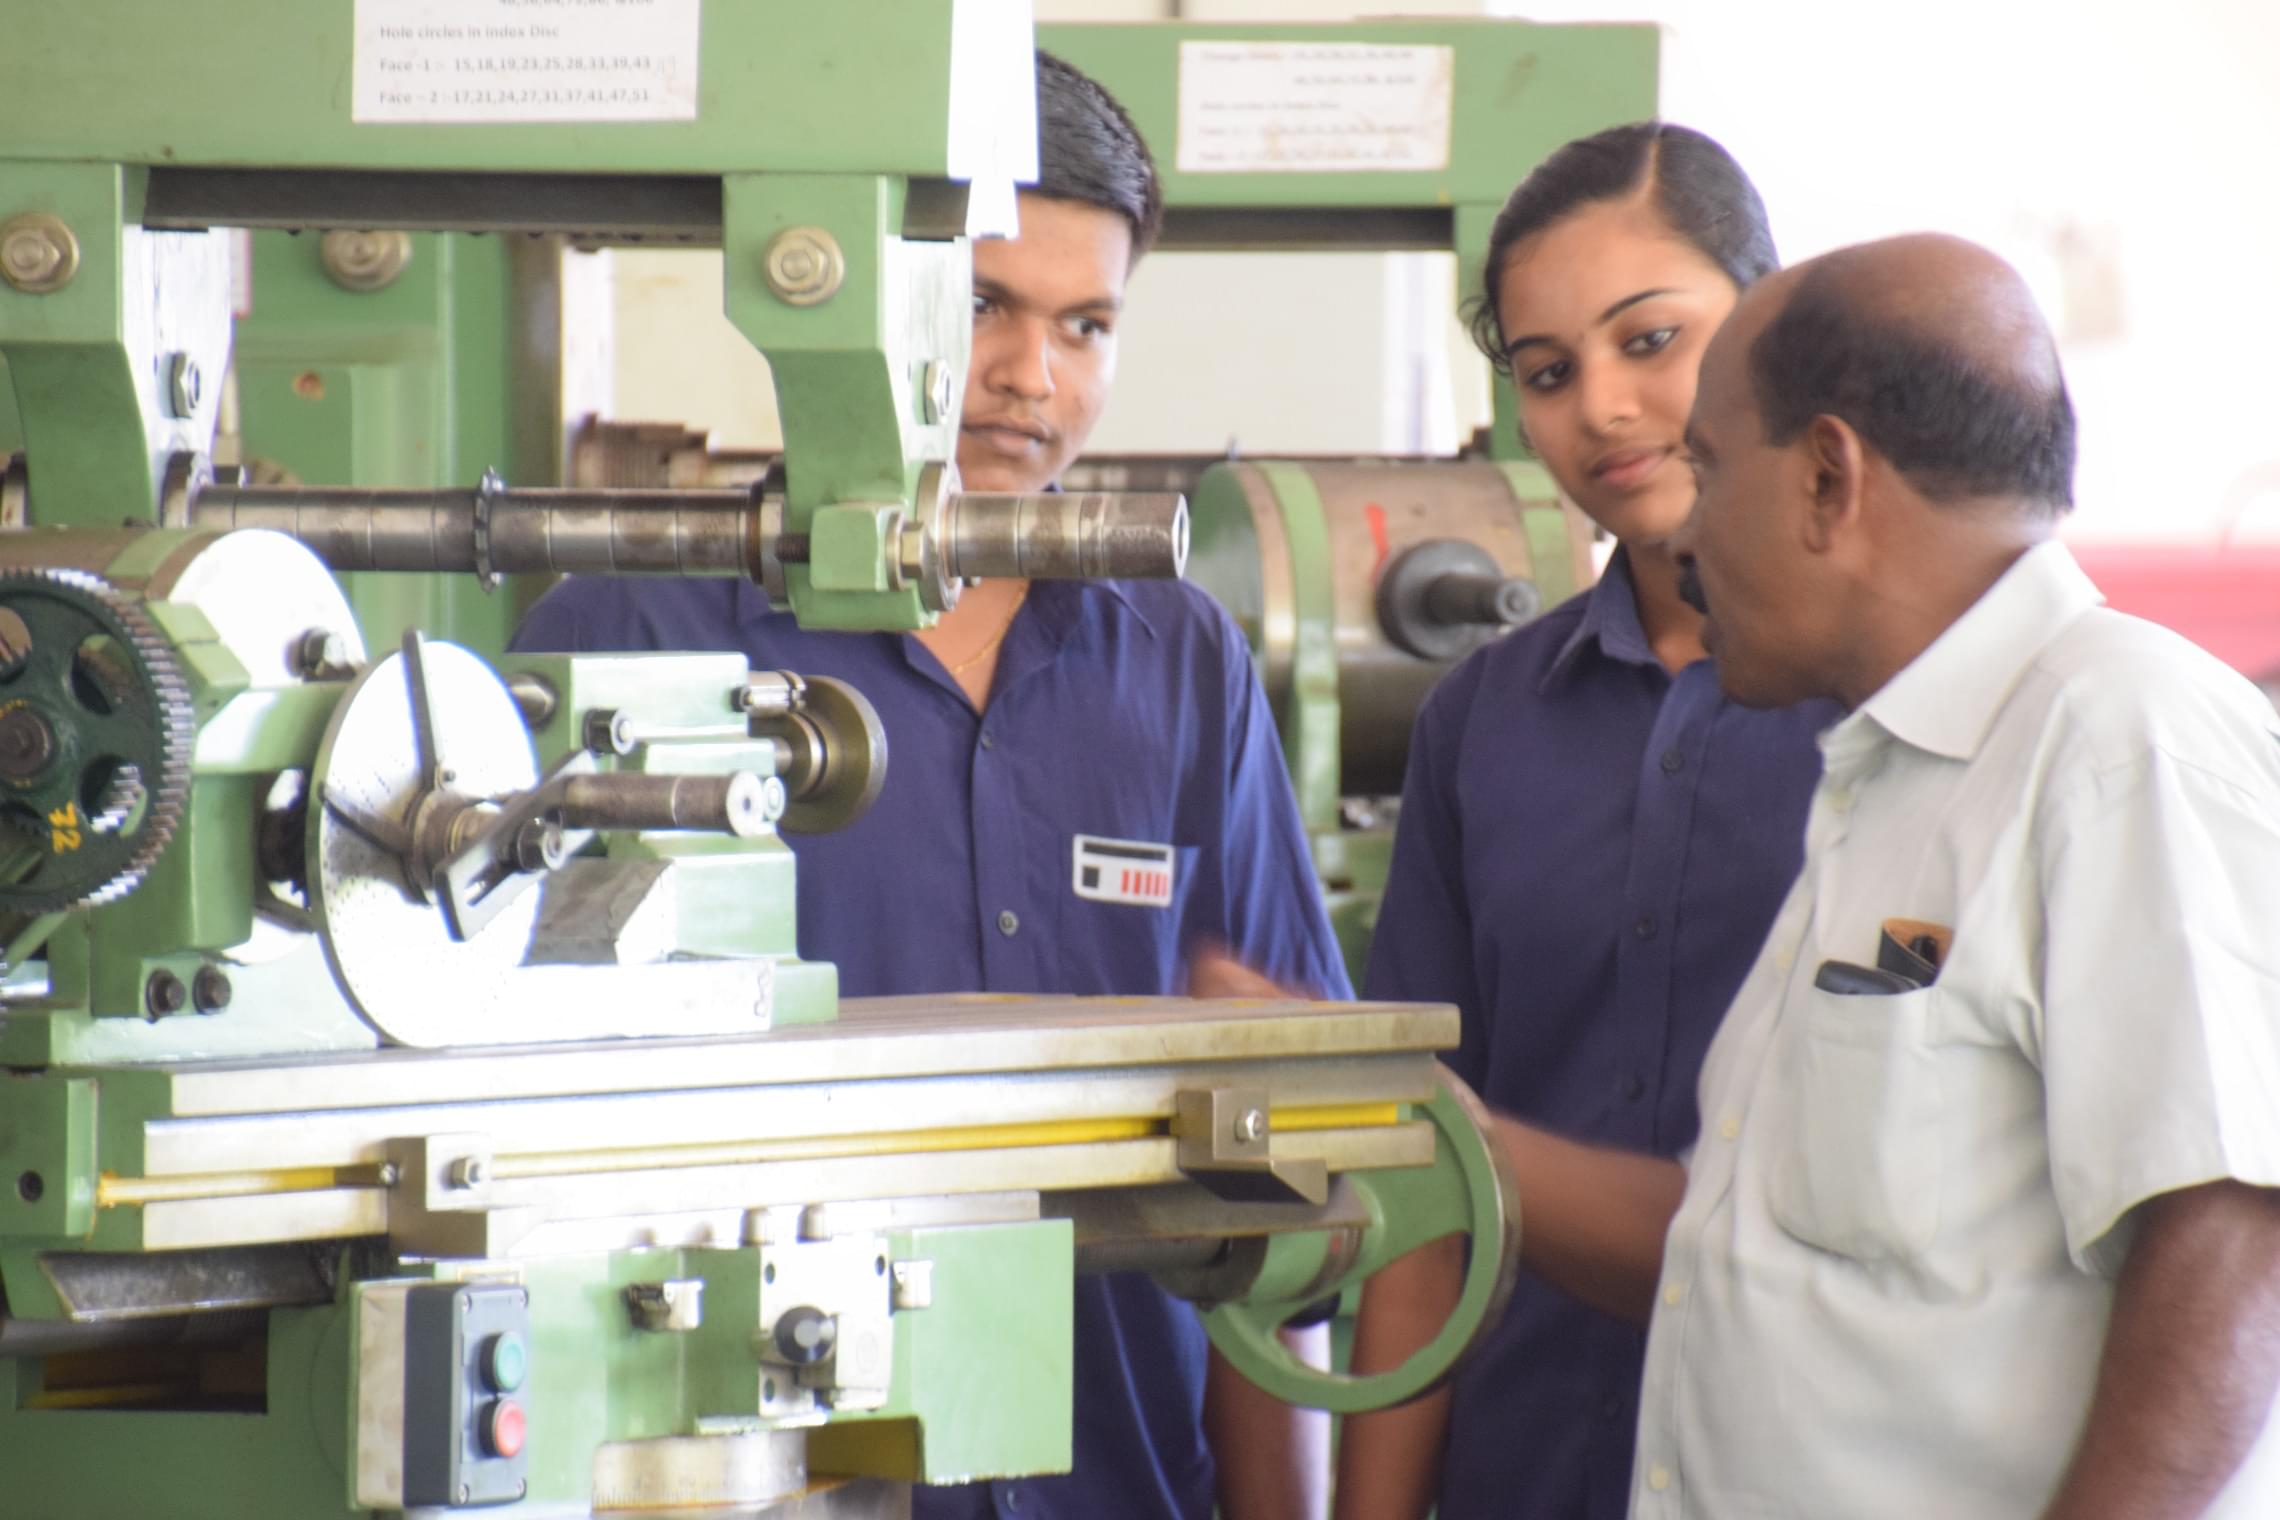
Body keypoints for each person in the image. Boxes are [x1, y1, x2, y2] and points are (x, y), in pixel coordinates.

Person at [512, 52, 1344, 1520]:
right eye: (981, 309)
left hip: (1117, 1477)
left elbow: (1279, 1171)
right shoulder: (632, 636)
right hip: (746, 1467)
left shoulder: (1181, 663)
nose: (1034, 379)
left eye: (1087, 325)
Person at [1505, 231, 2280, 1517]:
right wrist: (1446, 1137)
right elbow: (1747, 1252)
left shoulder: (2119, 735)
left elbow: (2235, 1242)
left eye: (1708, 469)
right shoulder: (1892, 779)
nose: (1689, 538)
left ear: (1825, 478)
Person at [1334, 124, 1837, 1520]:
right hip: (1528, 1471)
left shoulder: (1912, 712)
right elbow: (1419, 1184)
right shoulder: (1483, 722)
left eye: (1651, 339)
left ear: (1774, 321)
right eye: (1548, 374)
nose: (1602, 409)